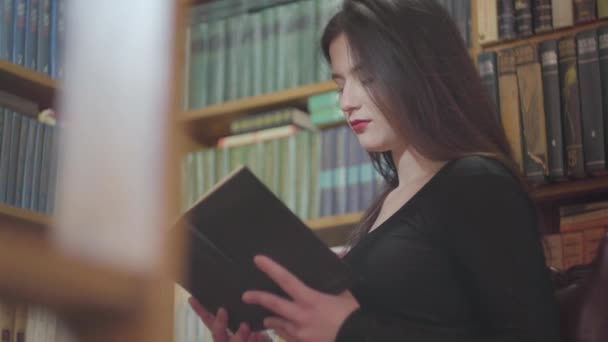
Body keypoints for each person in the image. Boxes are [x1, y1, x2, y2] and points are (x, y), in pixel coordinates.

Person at [189, 0, 562, 341]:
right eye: (340, 84)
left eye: (366, 78)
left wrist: (349, 330)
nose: (346, 103)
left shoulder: (476, 184)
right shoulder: (388, 203)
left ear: (420, 70)